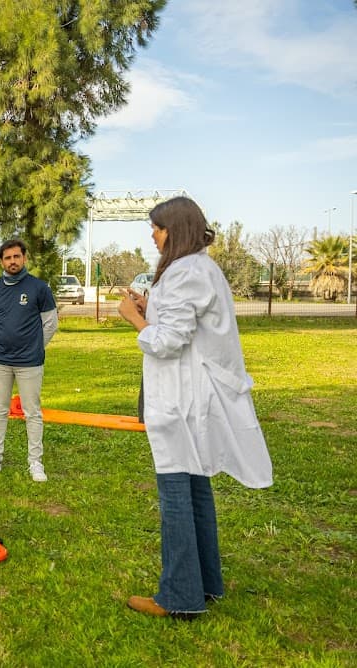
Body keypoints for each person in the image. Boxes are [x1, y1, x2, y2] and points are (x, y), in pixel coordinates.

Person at [118, 196, 272, 618]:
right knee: (195, 489)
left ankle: (179, 597)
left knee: (176, 494)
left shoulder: (184, 272)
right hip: (191, 397)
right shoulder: (200, 268)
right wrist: (151, 309)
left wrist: (135, 318)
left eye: (157, 228)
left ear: (175, 229)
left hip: (181, 400)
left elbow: (168, 342)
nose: (153, 236)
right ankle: (206, 584)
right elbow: (183, 325)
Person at [0, 239, 58, 481]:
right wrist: (4, 342)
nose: (12, 261)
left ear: (24, 258)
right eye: (8, 258)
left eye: (16, 256)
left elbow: (50, 324)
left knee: (32, 412)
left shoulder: (39, 288)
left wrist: (33, 346)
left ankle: (35, 462)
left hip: (30, 362)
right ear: (1, 261)